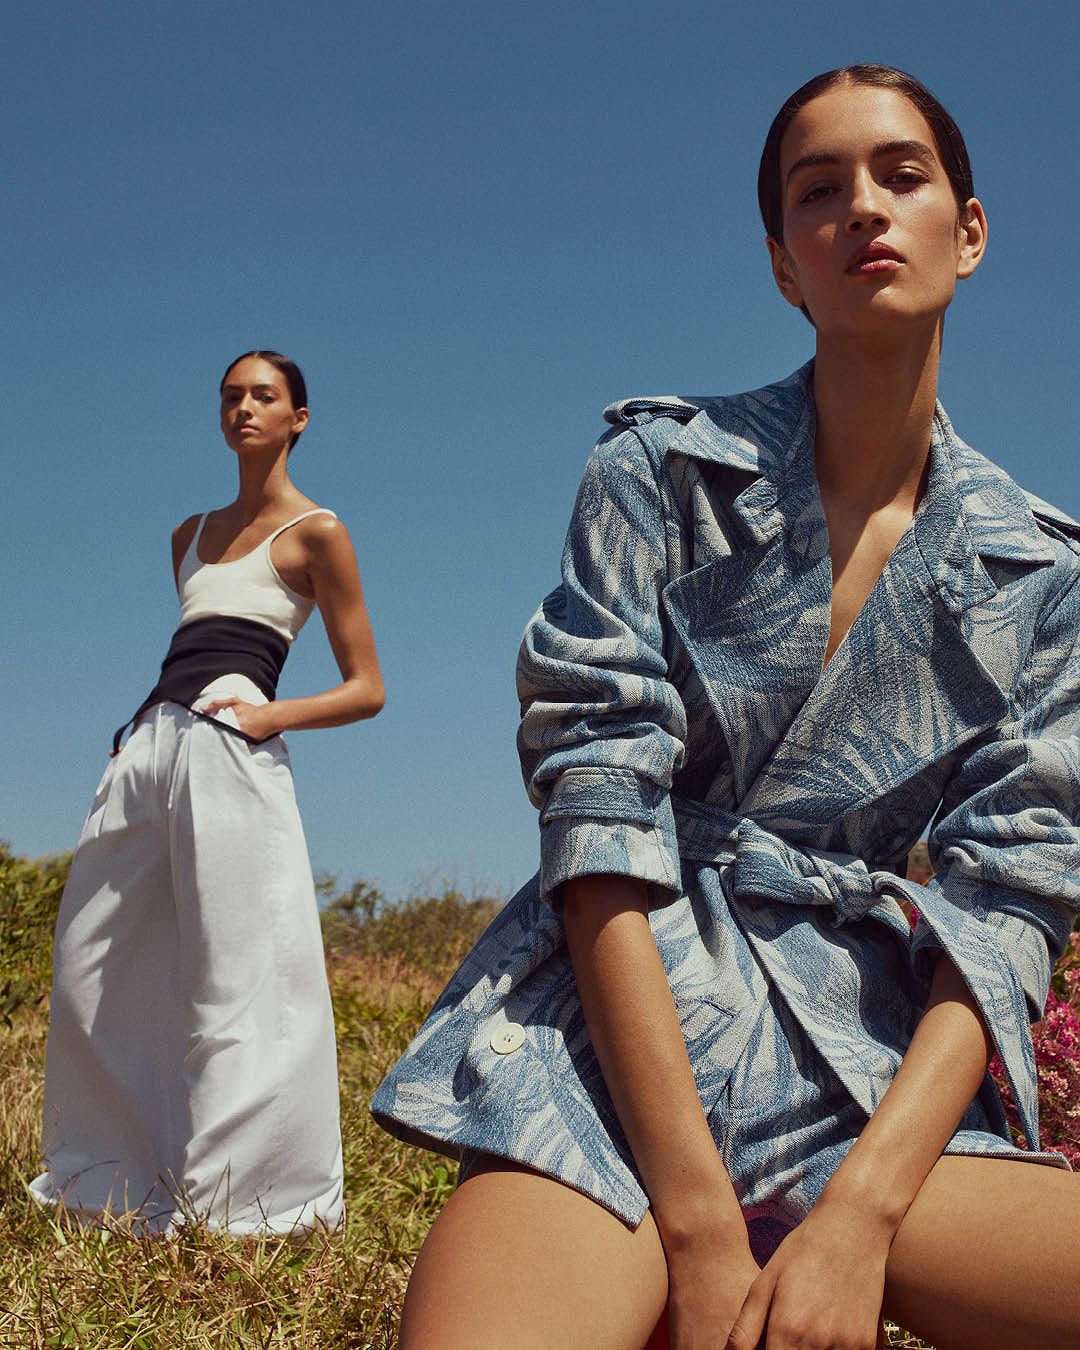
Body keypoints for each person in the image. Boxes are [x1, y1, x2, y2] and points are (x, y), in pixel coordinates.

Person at [372, 66, 1080, 1349]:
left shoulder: (1042, 573)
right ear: (782, 266)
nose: (863, 207)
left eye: (902, 175)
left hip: (856, 1064)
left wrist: (859, 1220)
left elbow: (1005, 908)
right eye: (819, 191)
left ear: (969, 231)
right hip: (612, 1054)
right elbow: (597, 824)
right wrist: (701, 1227)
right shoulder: (658, 471)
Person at [32, 350, 384, 1236]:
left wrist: (268, 717)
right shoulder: (186, 534)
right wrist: (141, 734)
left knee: (241, 970)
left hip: (232, 742)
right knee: (96, 963)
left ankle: (247, 1202)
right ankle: (107, 1184)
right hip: (151, 742)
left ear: (299, 418)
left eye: (264, 395)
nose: (244, 409)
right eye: (232, 396)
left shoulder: (318, 532)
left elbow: (367, 688)